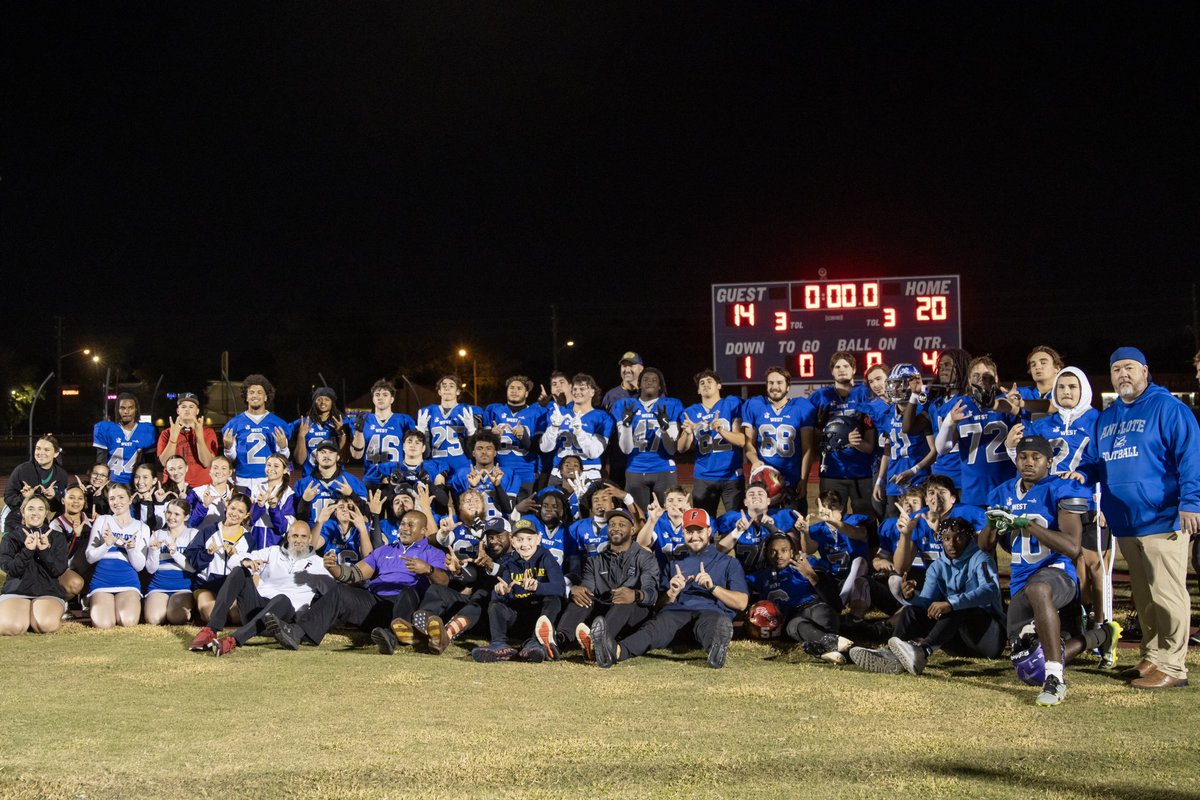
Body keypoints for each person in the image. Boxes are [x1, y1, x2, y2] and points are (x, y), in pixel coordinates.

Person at [1077, 347, 1200, 689]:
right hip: (1127, 521)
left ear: (1145, 371)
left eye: (1129, 368)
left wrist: (1191, 501)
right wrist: (1083, 474)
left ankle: (1173, 666)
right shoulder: (1107, 417)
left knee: (1167, 594)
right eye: (1117, 370)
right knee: (1144, 596)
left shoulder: (1168, 408)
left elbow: (1191, 457)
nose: (1123, 375)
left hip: (1163, 516)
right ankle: (1153, 655)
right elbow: (1095, 460)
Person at [980, 435, 1118, 705]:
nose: (1029, 462)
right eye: (1023, 457)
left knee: (1039, 589)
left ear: (1050, 462)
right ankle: (1102, 635)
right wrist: (992, 525)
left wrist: (1027, 524)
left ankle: (1055, 679)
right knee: (1031, 666)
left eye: (1036, 457)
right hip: (1021, 582)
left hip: (1058, 575)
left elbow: (1073, 547)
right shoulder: (1002, 492)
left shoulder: (1061, 488)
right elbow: (985, 546)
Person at [264, 510, 447, 653]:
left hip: (405, 606)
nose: (404, 528)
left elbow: (444, 583)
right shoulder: (385, 550)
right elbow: (355, 574)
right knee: (339, 592)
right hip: (376, 604)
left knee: (408, 592)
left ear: (423, 531)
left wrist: (428, 569)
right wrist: (334, 568)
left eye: (411, 525)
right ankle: (296, 633)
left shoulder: (433, 553)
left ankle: (391, 638)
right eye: (403, 523)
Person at [1006, 367, 1106, 629]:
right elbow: (1026, 461)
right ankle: (1079, 617)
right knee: (1071, 562)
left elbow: (1106, 462)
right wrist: (1010, 446)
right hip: (1052, 504)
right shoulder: (1042, 425)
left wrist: (1103, 500)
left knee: (1094, 564)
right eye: (1061, 387)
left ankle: (1101, 622)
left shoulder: (1097, 420)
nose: (1066, 392)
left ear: (1084, 390)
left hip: (1087, 501)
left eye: (1072, 387)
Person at [591, 508, 748, 669]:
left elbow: (742, 603)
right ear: (683, 533)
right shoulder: (673, 562)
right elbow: (658, 606)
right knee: (654, 628)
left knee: (714, 625)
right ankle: (614, 652)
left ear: (709, 531)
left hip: (710, 613)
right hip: (675, 615)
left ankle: (715, 651)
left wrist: (713, 587)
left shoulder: (729, 563)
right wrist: (672, 592)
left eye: (699, 531)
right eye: (689, 532)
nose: (694, 536)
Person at [851, 517, 1006, 675]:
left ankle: (923, 651)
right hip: (955, 642)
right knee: (911, 610)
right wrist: (910, 597)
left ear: (968, 538)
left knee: (957, 606)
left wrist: (951, 603)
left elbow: (990, 590)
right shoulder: (938, 566)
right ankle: (893, 654)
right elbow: (926, 602)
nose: (952, 543)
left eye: (958, 537)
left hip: (989, 638)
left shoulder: (981, 559)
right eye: (947, 539)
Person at [187, 520, 332, 656]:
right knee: (239, 571)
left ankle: (233, 640)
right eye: (295, 536)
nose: (298, 540)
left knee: (282, 599)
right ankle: (210, 629)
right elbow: (234, 559)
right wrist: (246, 562)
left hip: (281, 620)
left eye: (303, 536)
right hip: (256, 608)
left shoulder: (319, 564)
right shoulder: (272, 552)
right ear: (288, 537)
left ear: (310, 538)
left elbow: (333, 596)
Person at [541, 508, 659, 660]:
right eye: (612, 524)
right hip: (603, 614)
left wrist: (636, 595)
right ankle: (559, 640)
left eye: (622, 524)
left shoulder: (645, 557)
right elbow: (588, 588)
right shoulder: (595, 561)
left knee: (624, 600)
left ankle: (598, 642)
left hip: (633, 615)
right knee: (583, 597)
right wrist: (577, 590)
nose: (616, 528)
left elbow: (652, 594)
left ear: (632, 530)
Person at [408, 519, 515, 655]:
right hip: (471, 611)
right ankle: (422, 627)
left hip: (495, 614)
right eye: (490, 537)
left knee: (481, 597)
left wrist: (491, 566)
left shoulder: (519, 555)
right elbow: (471, 576)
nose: (494, 541)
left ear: (510, 536)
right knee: (437, 590)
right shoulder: (483, 552)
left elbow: (510, 575)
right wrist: (458, 571)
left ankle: (444, 637)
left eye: (499, 536)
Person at [471, 518, 566, 663]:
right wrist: (500, 592)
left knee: (553, 600)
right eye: (520, 540)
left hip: (539, 619)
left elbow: (560, 588)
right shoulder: (510, 562)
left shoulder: (546, 557)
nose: (525, 544)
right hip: (519, 618)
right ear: (513, 542)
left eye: (529, 539)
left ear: (538, 539)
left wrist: (537, 587)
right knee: (496, 604)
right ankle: (499, 645)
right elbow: (503, 593)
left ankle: (536, 643)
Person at [747, 532, 851, 664]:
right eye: (773, 551)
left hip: (815, 606)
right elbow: (738, 587)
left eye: (784, 550)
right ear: (767, 553)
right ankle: (833, 646)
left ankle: (824, 647)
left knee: (823, 613)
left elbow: (835, 604)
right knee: (795, 626)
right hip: (791, 617)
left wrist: (811, 575)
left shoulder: (806, 564)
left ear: (792, 552)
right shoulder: (760, 576)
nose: (779, 555)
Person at [934, 356, 1019, 508]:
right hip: (973, 491)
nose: (981, 380)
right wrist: (950, 423)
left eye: (986, 376)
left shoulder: (1005, 403)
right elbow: (942, 449)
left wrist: (1015, 406)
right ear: (969, 380)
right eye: (976, 376)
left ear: (996, 379)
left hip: (1006, 488)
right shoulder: (960, 405)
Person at [810, 352, 877, 515]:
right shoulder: (820, 396)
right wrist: (818, 427)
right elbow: (811, 436)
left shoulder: (865, 393)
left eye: (846, 366)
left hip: (862, 469)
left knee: (865, 520)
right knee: (831, 518)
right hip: (832, 469)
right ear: (832, 371)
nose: (842, 370)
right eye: (837, 366)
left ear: (854, 369)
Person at [742, 367, 816, 510]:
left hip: (793, 480)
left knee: (794, 522)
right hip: (764, 480)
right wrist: (755, 460)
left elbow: (807, 448)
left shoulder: (801, 406)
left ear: (788, 386)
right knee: (765, 522)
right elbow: (749, 444)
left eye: (779, 383)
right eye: (771, 383)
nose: (775, 387)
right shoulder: (755, 405)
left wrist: (803, 480)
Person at [612, 367, 683, 509]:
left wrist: (665, 428)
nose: (649, 382)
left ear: (660, 385)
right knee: (638, 516)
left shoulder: (670, 405)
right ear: (639, 384)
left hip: (663, 468)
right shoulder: (626, 405)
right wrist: (626, 426)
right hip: (635, 469)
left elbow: (671, 450)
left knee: (669, 514)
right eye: (645, 379)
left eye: (654, 380)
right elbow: (626, 450)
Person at [677, 369, 746, 517]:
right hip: (704, 476)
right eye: (702, 383)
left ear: (719, 386)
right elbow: (681, 448)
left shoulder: (731, 404)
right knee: (704, 522)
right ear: (698, 390)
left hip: (731, 476)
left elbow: (741, 440)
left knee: (736, 521)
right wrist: (687, 433)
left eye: (710, 381)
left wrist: (721, 430)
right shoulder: (691, 412)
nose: (705, 384)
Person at [873, 365, 937, 519]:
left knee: (918, 524)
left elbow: (933, 451)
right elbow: (887, 452)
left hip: (918, 480)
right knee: (895, 525)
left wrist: (913, 470)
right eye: (893, 384)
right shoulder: (887, 414)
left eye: (899, 384)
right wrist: (880, 480)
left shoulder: (922, 412)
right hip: (894, 481)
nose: (894, 389)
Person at [0, 495, 68, 635]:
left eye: (40, 509)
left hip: (47, 591)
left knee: (45, 625)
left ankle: (47, 612)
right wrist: (27, 550)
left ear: (46, 512)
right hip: (17, 591)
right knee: (12, 627)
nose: (35, 513)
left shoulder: (57, 537)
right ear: (22, 511)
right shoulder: (10, 538)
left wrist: (44, 551)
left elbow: (58, 570)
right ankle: (23, 615)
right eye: (30, 508)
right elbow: (10, 569)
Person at [85, 483, 150, 628]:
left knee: (128, 622)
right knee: (104, 624)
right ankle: (92, 601)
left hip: (128, 581)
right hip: (102, 580)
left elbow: (140, 566)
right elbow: (89, 557)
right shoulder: (102, 520)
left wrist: (131, 549)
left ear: (130, 499)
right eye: (112, 498)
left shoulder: (142, 527)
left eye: (121, 497)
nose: (116, 502)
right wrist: (106, 545)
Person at [185, 493, 253, 623]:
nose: (234, 513)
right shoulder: (209, 530)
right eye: (232, 508)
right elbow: (192, 559)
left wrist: (236, 557)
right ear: (227, 507)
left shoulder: (249, 539)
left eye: (240, 511)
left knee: (237, 616)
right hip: (206, 585)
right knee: (211, 616)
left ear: (246, 515)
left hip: (232, 588)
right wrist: (207, 554)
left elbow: (251, 569)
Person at [221, 374, 291, 495]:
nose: (255, 395)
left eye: (259, 392)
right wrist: (227, 448)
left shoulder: (277, 423)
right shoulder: (235, 423)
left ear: (266, 397)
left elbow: (283, 458)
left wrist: (283, 447)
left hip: (269, 479)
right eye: (251, 392)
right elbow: (231, 458)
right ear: (246, 397)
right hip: (243, 479)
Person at [539, 373, 614, 484]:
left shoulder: (603, 417)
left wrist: (579, 432)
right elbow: (545, 448)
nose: (577, 392)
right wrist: (554, 427)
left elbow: (594, 452)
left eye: (582, 389)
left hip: (588, 474)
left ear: (592, 392)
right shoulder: (559, 413)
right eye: (575, 389)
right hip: (559, 474)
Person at [715, 481, 799, 572]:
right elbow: (719, 552)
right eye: (751, 494)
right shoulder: (735, 519)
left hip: (776, 575)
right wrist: (738, 531)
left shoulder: (781, 517)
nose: (756, 496)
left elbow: (795, 551)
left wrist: (773, 528)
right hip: (746, 576)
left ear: (768, 501)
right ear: (745, 502)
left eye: (760, 494)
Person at [484, 375, 546, 495]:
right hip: (498, 471)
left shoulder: (536, 413)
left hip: (526, 472)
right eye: (511, 388)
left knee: (525, 506)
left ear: (526, 393)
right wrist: (493, 437)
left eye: (519, 388)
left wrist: (524, 437)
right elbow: (484, 446)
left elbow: (538, 448)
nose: (514, 391)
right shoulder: (494, 410)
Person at [350, 379, 415, 487]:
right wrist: (359, 431)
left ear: (392, 399)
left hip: (397, 477)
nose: (380, 397)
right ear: (373, 399)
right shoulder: (364, 420)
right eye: (377, 395)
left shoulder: (403, 420)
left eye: (385, 394)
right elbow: (356, 455)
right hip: (371, 478)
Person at [144, 499, 197, 625]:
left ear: (186, 517)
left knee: (177, 618)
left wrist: (174, 553)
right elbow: (150, 569)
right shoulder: (157, 534)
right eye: (169, 512)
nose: (171, 517)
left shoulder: (193, 534)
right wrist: (154, 551)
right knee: (154, 619)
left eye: (177, 514)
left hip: (183, 587)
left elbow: (193, 568)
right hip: (158, 586)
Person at [416, 374, 482, 475]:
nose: (447, 388)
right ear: (439, 391)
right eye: (444, 386)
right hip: (436, 466)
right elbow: (425, 453)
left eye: (451, 386)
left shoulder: (467, 411)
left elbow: (473, 451)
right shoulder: (428, 412)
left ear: (458, 391)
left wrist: (471, 431)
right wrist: (421, 432)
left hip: (461, 466)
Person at [292, 439, 368, 525]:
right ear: (317, 457)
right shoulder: (303, 484)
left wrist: (351, 494)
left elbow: (365, 513)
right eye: (322, 452)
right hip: (313, 531)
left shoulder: (352, 482)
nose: (326, 455)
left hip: (340, 531)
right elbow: (299, 519)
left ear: (338, 456)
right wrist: (305, 501)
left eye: (331, 452)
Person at [449, 431, 520, 521]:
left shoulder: (508, 474)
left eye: (489, 448)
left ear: (495, 452)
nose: (484, 452)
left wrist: (497, 486)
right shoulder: (462, 474)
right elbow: (459, 507)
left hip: (500, 526)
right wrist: (472, 487)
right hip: (472, 525)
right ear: (473, 453)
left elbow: (508, 509)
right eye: (479, 448)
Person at [5, 435, 68, 533]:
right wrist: (24, 497)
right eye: (38, 448)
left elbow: (60, 508)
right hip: (17, 519)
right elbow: (8, 498)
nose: (41, 453)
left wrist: (53, 497)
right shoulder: (22, 470)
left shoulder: (61, 475)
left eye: (46, 450)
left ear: (56, 453)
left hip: (40, 520)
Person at [93, 392, 157, 486]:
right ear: (117, 410)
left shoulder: (147, 430)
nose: (126, 411)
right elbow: (100, 462)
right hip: (111, 483)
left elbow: (150, 464)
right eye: (122, 408)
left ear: (136, 409)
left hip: (137, 484)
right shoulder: (106, 429)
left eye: (130, 408)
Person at [157, 392, 218, 487]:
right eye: (183, 407)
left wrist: (199, 436)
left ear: (197, 411)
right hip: (174, 486)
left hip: (201, 486)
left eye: (191, 407)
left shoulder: (208, 432)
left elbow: (206, 463)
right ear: (178, 410)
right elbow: (164, 462)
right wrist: (173, 438)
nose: (187, 410)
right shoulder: (167, 433)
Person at [49, 484, 92, 603]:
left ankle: (87, 600)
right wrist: (76, 537)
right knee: (74, 583)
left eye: (80, 498)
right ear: (63, 500)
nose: (76, 501)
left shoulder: (90, 519)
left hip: (86, 567)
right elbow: (63, 556)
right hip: (65, 570)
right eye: (71, 497)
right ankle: (60, 603)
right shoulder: (56, 525)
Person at [293, 387, 348, 476]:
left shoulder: (341, 422)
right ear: (314, 402)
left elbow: (345, 459)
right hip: (310, 476)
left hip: (335, 477)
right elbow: (299, 461)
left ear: (332, 403)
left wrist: (342, 434)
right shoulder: (305, 422)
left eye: (327, 399)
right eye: (319, 399)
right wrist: (301, 436)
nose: (323, 402)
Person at [248, 453, 296, 549]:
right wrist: (259, 506)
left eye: (276, 466)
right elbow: (249, 521)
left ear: (285, 470)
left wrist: (274, 508)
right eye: (268, 465)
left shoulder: (289, 494)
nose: (271, 468)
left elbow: (283, 528)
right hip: (254, 540)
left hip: (276, 543)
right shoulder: (253, 488)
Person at [186, 456, 236, 530]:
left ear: (230, 472)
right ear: (210, 471)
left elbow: (240, 524)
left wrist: (229, 509)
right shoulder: (197, 492)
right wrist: (204, 506)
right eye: (215, 468)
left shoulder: (235, 496)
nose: (219, 471)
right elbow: (190, 523)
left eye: (223, 468)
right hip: (201, 536)